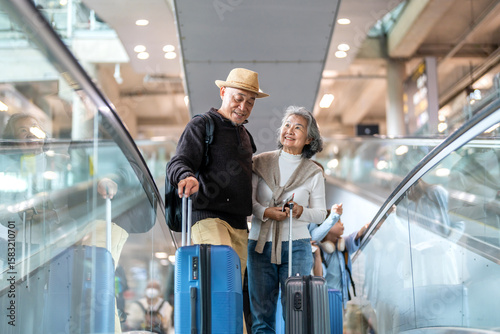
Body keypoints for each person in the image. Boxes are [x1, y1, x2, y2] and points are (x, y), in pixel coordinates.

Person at [166, 67, 268, 283]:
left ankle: (231, 319)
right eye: (238, 98)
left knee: (234, 291)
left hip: (240, 223)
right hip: (207, 216)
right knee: (221, 280)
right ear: (223, 92)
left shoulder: (246, 135)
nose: (243, 107)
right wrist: (186, 176)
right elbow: (179, 161)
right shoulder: (202, 124)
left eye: (250, 102)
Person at [248, 106, 327, 333]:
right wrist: (266, 212)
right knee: (262, 316)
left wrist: (301, 211)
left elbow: (321, 214)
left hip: (298, 246)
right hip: (260, 245)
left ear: (309, 138)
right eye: (287, 125)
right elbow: (249, 203)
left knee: (297, 313)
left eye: (298, 127)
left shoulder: (313, 172)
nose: (290, 131)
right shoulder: (260, 163)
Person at [309, 205, 368, 310]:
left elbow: (356, 236)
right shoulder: (318, 249)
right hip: (324, 302)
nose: (342, 223)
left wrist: (365, 228)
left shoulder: (343, 244)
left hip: (341, 300)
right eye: (338, 221)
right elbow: (319, 279)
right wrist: (317, 255)